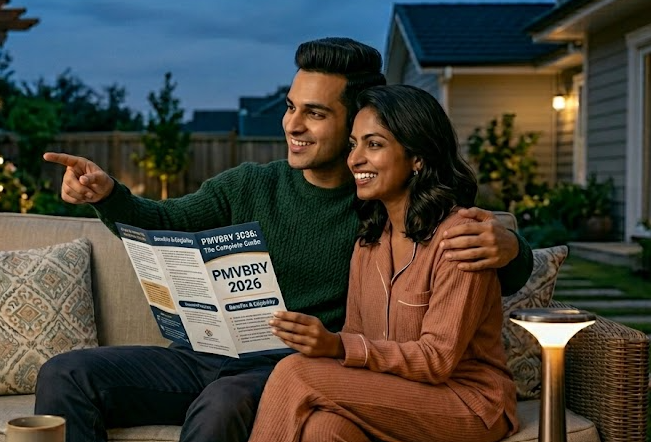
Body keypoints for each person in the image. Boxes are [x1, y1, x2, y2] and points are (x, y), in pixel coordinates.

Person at [37, 38, 531, 442]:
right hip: (207, 356)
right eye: (292, 106)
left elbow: (465, 250)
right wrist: (106, 195)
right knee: (66, 374)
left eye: (314, 113)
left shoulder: (377, 207)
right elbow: (162, 220)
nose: (292, 124)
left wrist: (511, 245)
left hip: (289, 365)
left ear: (360, 118)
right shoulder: (255, 186)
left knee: (227, 404)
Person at [247, 84, 519, 442]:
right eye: (353, 144)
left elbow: (437, 360)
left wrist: (337, 346)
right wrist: (331, 340)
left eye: (373, 145)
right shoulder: (369, 243)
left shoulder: (461, 238)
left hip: (468, 401)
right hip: (395, 391)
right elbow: (358, 334)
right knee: (323, 430)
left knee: (295, 373)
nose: (355, 159)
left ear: (417, 158)